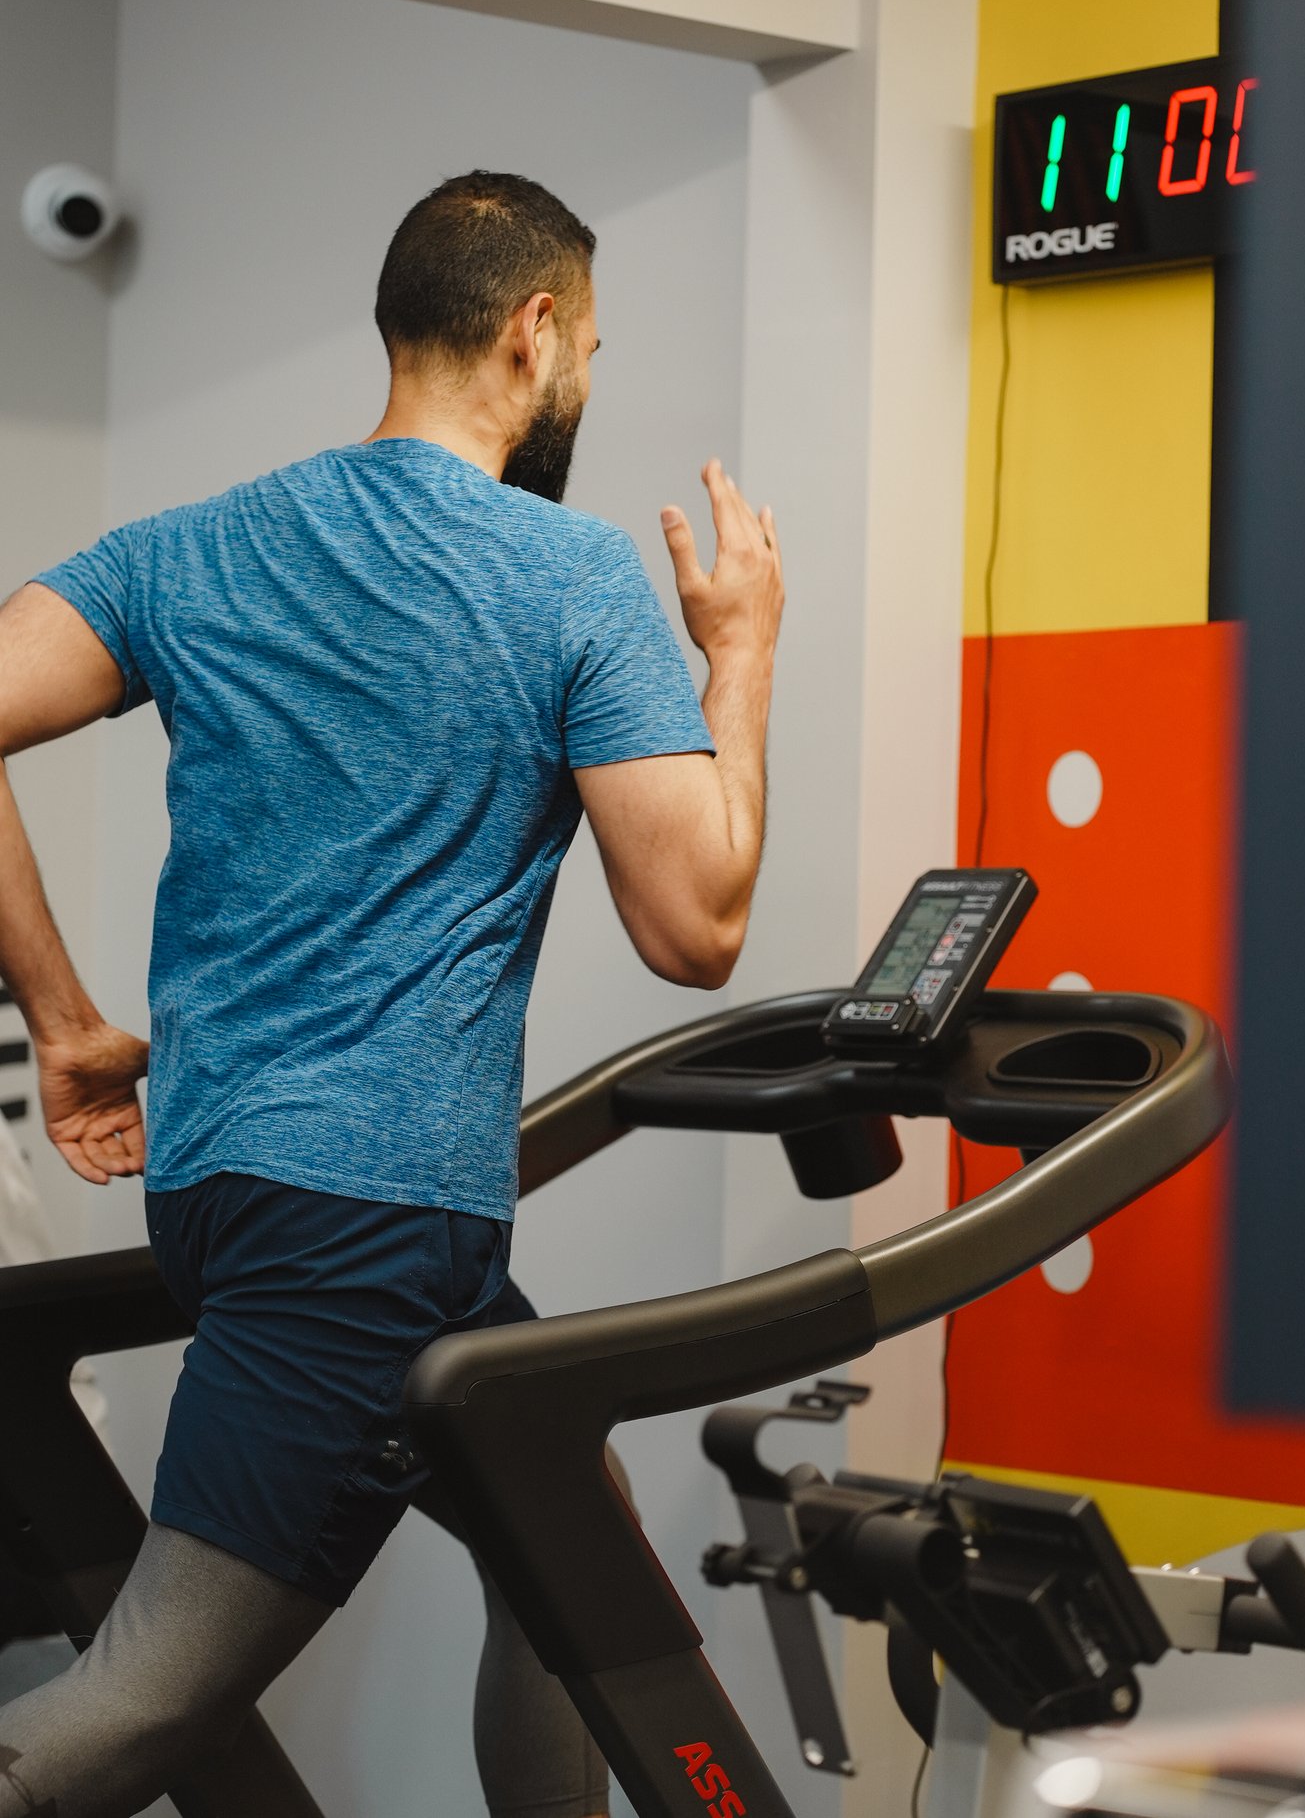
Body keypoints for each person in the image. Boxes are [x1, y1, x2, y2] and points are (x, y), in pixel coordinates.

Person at [0, 170, 784, 1818]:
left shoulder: (195, 545)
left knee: (578, 1535)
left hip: (226, 1192)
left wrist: (68, 1022)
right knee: (138, 1702)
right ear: (538, 330)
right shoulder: (567, 580)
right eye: (593, 346)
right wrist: (739, 655)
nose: (587, 380)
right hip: (368, 1215)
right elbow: (698, 922)